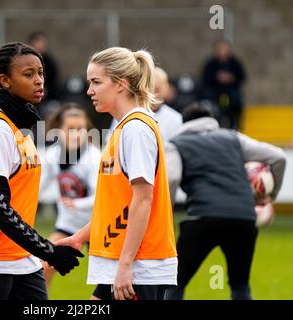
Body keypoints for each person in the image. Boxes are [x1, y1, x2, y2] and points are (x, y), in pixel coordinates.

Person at [0, 42, 83, 300]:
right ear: (5, 80)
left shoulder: (18, 127)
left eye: (41, 73)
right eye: (28, 74)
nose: (38, 81)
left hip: (21, 259)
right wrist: (48, 249)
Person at [57, 47, 178, 300]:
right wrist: (80, 237)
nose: (89, 90)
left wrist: (125, 265)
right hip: (120, 259)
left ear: (121, 84)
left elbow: (143, 199)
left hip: (137, 266)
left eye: (96, 82)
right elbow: (117, 206)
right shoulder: (122, 128)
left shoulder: (136, 129)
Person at [164, 102, 286, 300]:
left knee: (175, 282)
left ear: (185, 123)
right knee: (240, 285)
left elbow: (172, 178)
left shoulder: (176, 144)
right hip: (243, 218)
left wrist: (164, 211)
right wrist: (269, 197)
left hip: (204, 217)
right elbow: (279, 157)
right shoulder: (233, 138)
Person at [40, 102, 102, 291]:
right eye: (70, 129)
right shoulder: (53, 155)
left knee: (108, 279)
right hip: (67, 225)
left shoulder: (94, 157)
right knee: (43, 266)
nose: (75, 134)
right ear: (59, 130)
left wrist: (78, 203)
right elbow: (38, 186)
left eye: (80, 129)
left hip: (96, 225)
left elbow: (101, 197)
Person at [107, 67, 182, 145]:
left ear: (166, 89)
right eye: (149, 89)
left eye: (157, 90)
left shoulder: (175, 119)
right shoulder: (125, 114)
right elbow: (111, 143)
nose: (153, 94)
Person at [202, 40, 246, 130]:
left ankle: (235, 125)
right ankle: (213, 125)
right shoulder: (211, 63)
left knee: (237, 99)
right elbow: (205, 78)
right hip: (215, 89)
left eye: (224, 49)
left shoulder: (235, 63)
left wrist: (231, 78)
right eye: (219, 49)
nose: (221, 51)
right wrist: (217, 78)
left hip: (231, 89)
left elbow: (242, 77)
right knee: (209, 101)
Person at [28, 32, 60, 102]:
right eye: (39, 41)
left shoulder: (50, 62)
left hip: (47, 98)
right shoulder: (25, 61)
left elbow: (54, 82)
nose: (43, 44)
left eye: (44, 42)